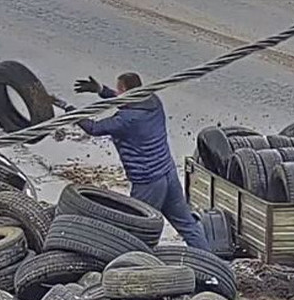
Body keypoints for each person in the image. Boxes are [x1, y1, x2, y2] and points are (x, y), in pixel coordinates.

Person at [74, 72, 209, 250]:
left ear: (125, 91)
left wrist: (69, 111)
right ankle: (211, 267)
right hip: (168, 173)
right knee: (187, 225)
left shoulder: (126, 119)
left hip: (148, 182)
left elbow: (93, 128)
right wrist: (101, 90)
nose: (117, 93)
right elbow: (124, 99)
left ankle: (138, 267)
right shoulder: (153, 101)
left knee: (136, 230)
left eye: (119, 89)